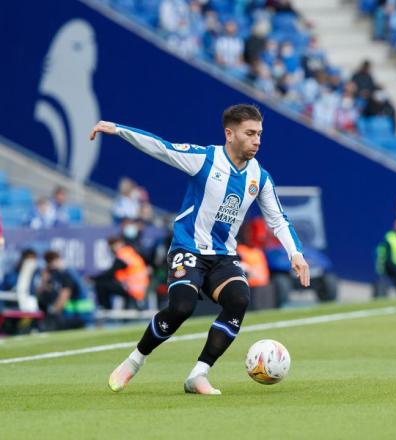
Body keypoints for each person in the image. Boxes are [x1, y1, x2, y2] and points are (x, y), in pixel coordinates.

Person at [89, 104, 310, 395]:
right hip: (188, 247)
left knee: (239, 299)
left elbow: (278, 219)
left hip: (223, 256)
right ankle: (134, 361)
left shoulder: (260, 177)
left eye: (259, 133)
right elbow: (162, 148)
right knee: (182, 307)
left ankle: (199, 373)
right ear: (229, 134)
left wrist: (296, 254)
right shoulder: (204, 159)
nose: (257, 140)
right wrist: (118, 130)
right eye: (250, 133)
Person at [35, 251, 95, 331]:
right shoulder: (66, 273)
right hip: (80, 314)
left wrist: (53, 312)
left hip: (77, 315)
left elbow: (64, 295)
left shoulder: (66, 274)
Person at [93, 236, 150, 310]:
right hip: (139, 288)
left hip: (132, 288)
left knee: (101, 283)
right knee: (108, 281)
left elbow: (110, 273)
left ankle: (105, 310)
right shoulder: (130, 252)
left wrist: (93, 278)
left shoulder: (122, 255)